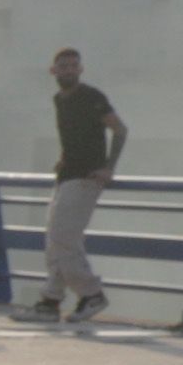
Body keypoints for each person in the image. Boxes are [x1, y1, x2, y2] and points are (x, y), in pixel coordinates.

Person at [33, 45, 122, 324]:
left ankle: (92, 293)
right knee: (55, 240)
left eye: (73, 66)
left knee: (64, 238)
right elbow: (74, 135)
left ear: (80, 70)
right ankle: (50, 301)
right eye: (63, 66)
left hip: (87, 178)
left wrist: (108, 167)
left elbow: (119, 129)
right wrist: (63, 158)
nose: (68, 70)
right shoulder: (60, 99)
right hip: (67, 175)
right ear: (53, 70)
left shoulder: (91, 97)